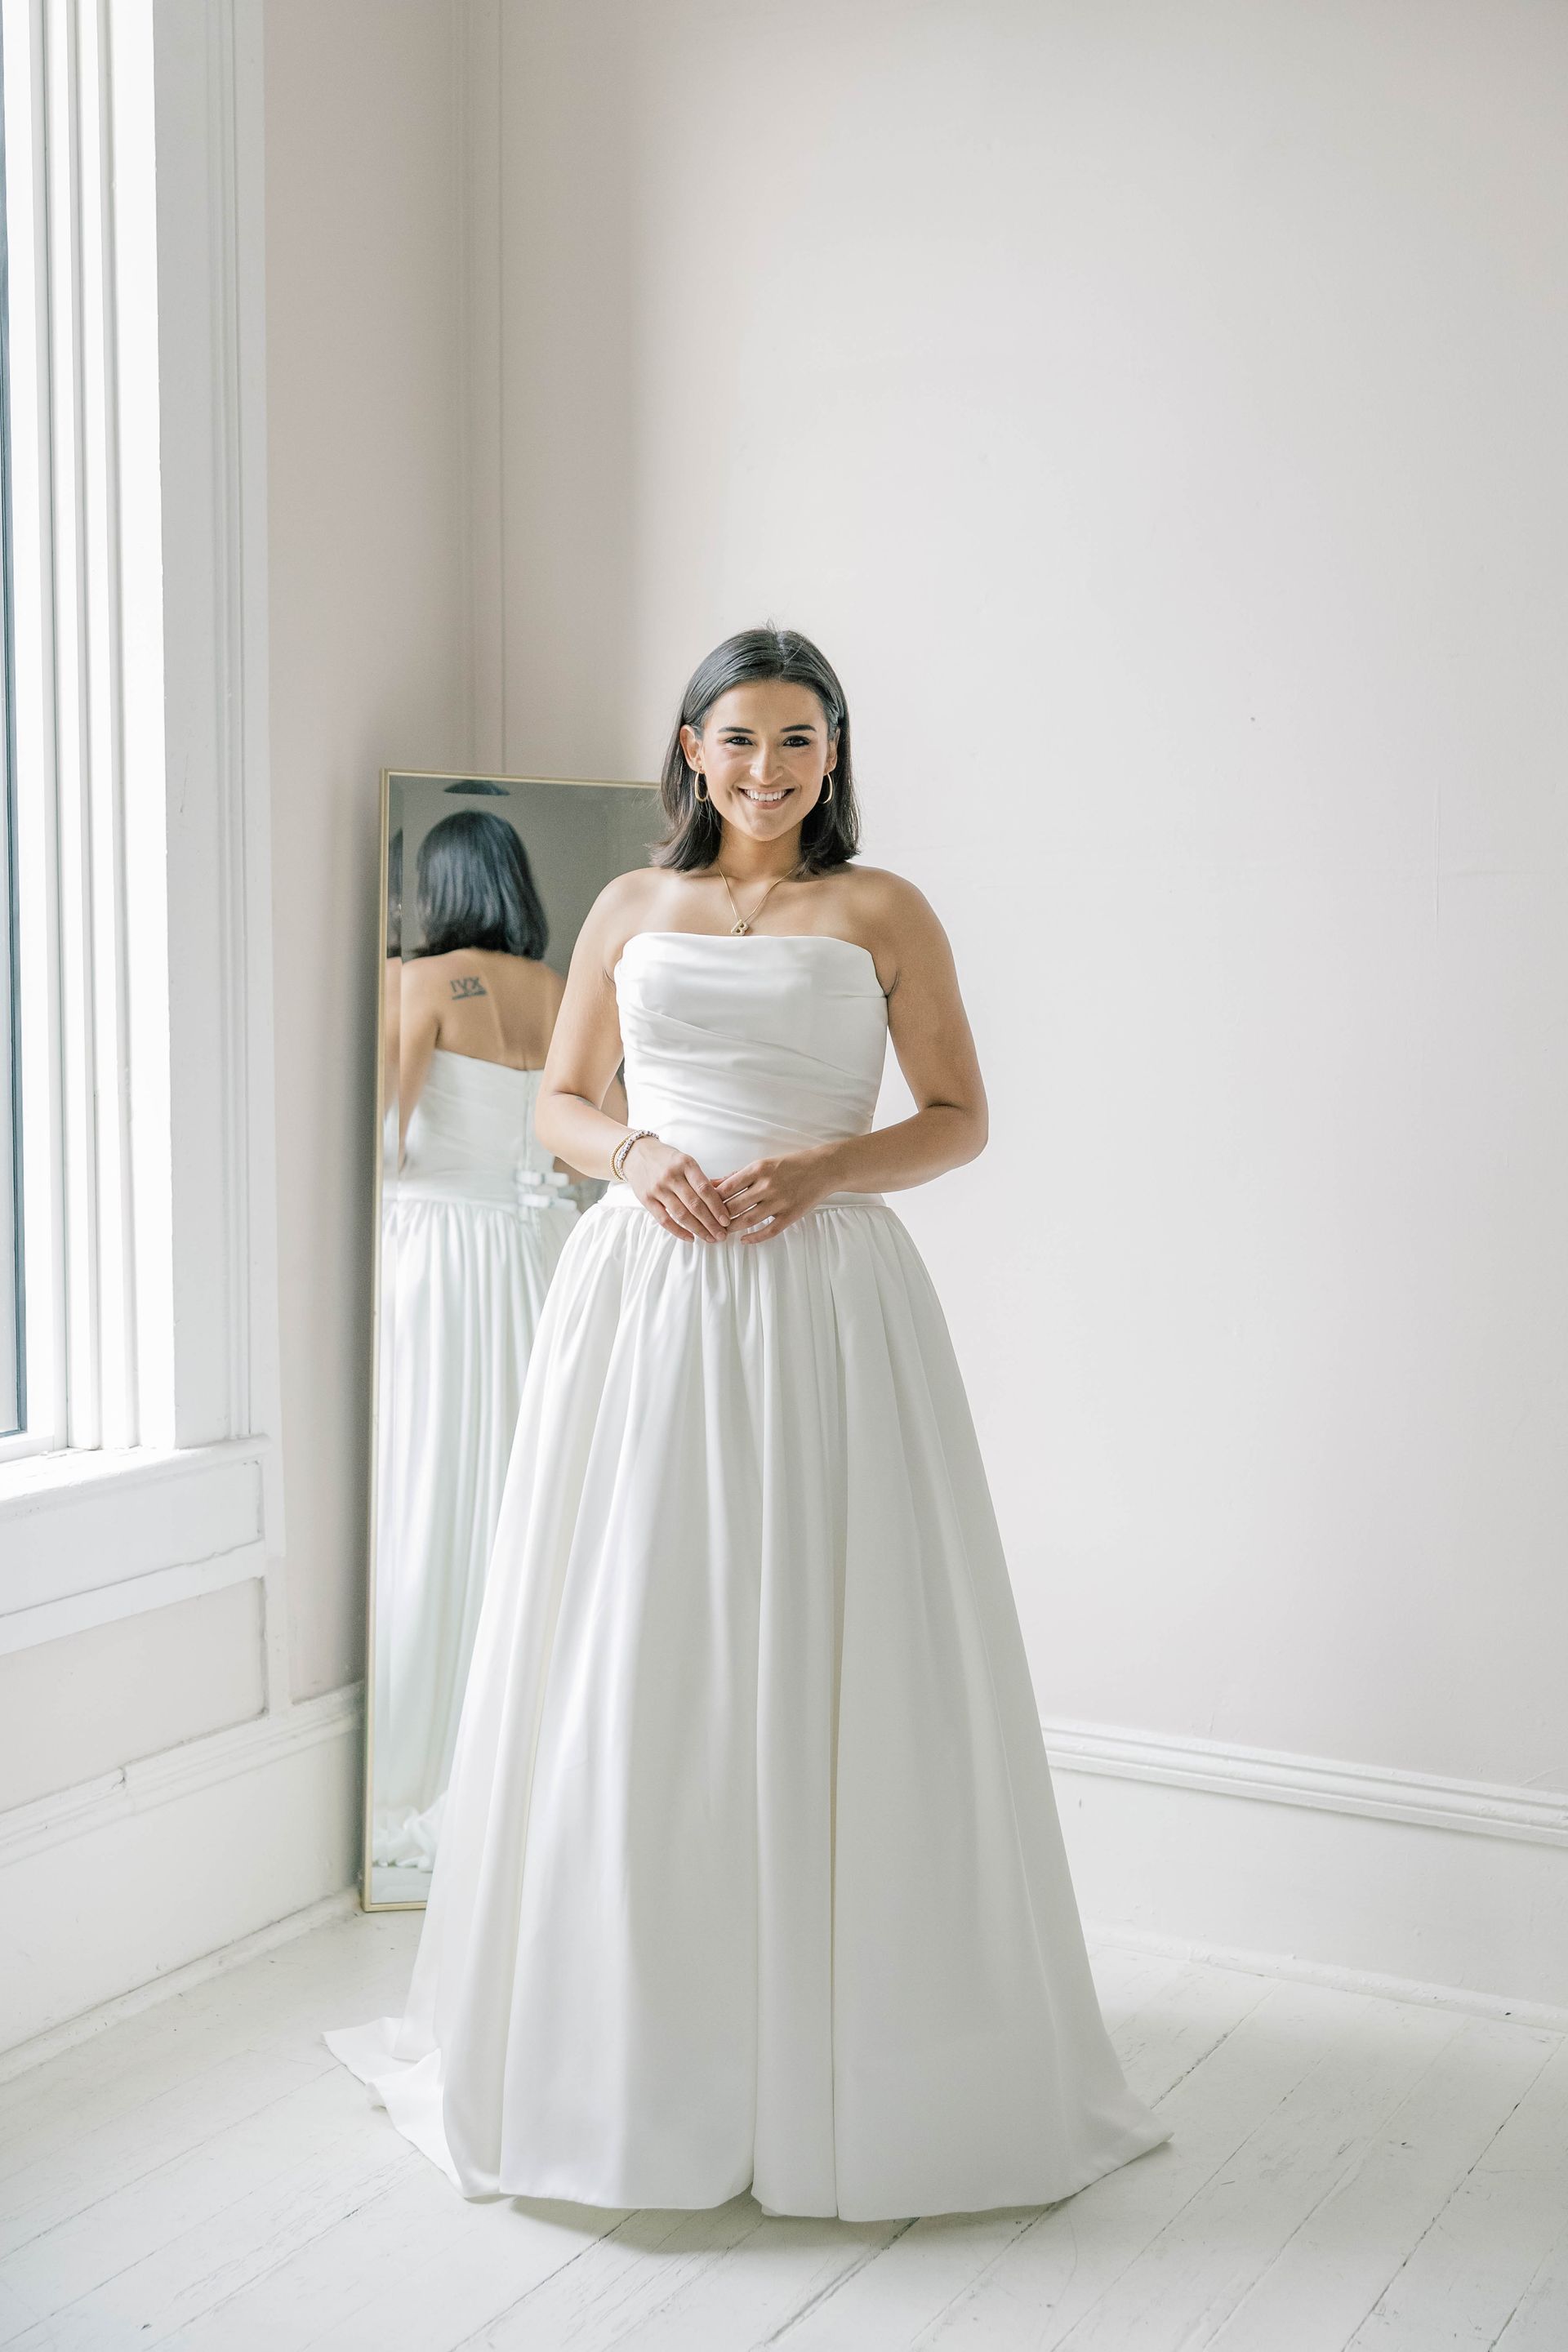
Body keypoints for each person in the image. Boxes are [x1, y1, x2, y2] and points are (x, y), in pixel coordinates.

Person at [329, 628, 1173, 2219]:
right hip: (645, 1295)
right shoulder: (629, 911)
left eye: (798, 741)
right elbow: (562, 1104)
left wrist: (822, 1170)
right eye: (740, 741)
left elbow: (959, 1115)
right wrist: (640, 1160)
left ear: (834, 754)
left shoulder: (884, 911)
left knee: (831, 1631)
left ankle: (852, 2035)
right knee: (642, 1634)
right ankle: (638, 2041)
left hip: (828, 1305)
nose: (768, 770)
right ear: (691, 748)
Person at [371, 810, 581, 1873]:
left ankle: (437, 1747)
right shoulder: (558, 992)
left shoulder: (419, 984)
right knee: (526, 1490)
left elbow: (389, 1140)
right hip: (542, 1250)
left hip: (443, 1257)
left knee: (436, 1483)